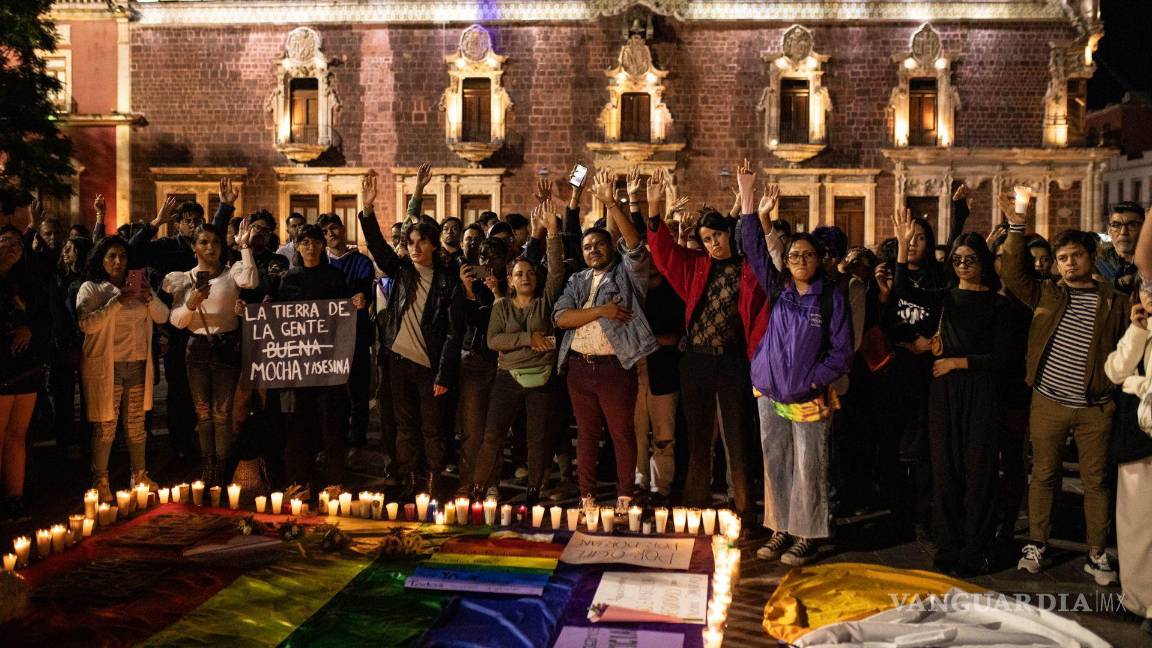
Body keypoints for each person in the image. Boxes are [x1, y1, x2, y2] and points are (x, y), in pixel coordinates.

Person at [999, 196, 1128, 585]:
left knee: (1096, 480)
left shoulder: (1116, 302)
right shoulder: (1048, 293)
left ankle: (1097, 553)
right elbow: (1012, 272)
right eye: (1062, 258)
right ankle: (1037, 543)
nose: (1068, 263)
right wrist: (1017, 229)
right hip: (1049, 400)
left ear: (1091, 257)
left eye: (1075, 255)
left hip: (1095, 407)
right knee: (1043, 474)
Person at [739, 163, 853, 566]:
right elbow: (753, 249)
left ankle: (807, 533)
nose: (799, 259)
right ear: (786, 262)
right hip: (769, 391)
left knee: (810, 465)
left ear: (819, 260)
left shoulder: (831, 298)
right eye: (793, 255)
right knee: (776, 462)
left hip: (807, 395)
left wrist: (812, 380)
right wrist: (747, 197)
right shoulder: (780, 290)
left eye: (807, 254)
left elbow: (842, 352)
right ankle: (780, 528)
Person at [646, 167, 763, 515]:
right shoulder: (696, 266)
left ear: (730, 234)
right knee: (697, 439)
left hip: (732, 360)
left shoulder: (747, 268)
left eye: (718, 236)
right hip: (695, 360)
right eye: (707, 238)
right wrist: (654, 207)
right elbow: (664, 253)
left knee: (737, 438)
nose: (713, 243)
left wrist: (746, 196)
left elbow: (757, 245)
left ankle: (741, 508)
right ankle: (695, 508)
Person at [554, 170, 658, 507]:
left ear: (611, 247)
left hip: (615, 367)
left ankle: (625, 496)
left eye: (599, 243)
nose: (593, 249)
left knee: (621, 435)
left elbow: (637, 248)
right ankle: (587, 498)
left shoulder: (627, 274)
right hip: (579, 367)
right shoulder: (578, 279)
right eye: (587, 246)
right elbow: (561, 317)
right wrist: (601, 311)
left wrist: (613, 204)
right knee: (586, 436)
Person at [916, 227, 1013, 577]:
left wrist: (959, 362)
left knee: (979, 470)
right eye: (956, 259)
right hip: (945, 392)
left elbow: (1002, 356)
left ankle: (976, 548)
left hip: (981, 390)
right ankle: (948, 545)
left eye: (970, 260)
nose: (962, 265)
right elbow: (902, 290)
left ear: (983, 262)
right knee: (945, 469)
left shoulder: (998, 303)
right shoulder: (944, 297)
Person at [358, 173, 460, 499]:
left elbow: (453, 333)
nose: (414, 248)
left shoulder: (448, 282)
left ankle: (434, 481)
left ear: (433, 244)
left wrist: (444, 374)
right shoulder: (401, 270)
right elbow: (377, 246)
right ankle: (407, 481)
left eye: (421, 242)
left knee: (432, 429)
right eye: (410, 242)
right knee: (404, 427)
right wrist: (367, 208)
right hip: (398, 362)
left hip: (429, 367)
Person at [470, 202, 565, 505]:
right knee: (492, 435)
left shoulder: (544, 302)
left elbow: (557, 271)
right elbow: (493, 340)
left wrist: (551, 233)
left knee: (537, 439)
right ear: (510, 280)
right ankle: (479, 486)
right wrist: (529, 337)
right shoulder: (502, 306)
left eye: (530, 274)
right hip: (507, 377)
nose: (525, 277)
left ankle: (534, 490)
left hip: (541, 378)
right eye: (519, 274)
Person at [270, 224, 365, 496]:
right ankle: (301, 480)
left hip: (328, 365)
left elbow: (347, 312)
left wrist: (358, 302)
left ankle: (335, 480)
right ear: (297, 246)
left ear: (322, 246)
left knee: (331, 423)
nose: (310, 247)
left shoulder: (335, 277)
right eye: (304, 242)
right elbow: (276, 319)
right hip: (298, 366)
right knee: (298, 425)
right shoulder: (288, 280)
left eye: (315, 242)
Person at [164, 222, 259, 486]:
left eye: (215, 242)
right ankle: (208, 467)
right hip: (197, 348)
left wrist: (244, 247)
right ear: (194, 247)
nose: (210, 248)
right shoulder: (182, 279)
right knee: (203, 413)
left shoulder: (233, 273)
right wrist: (191, 304)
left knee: (222, 412)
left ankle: (223, 468)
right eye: (204, 242)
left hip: (226, 347)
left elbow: (251, 280)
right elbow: (177, 321)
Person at [76, 236, 169, 501]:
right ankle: (101, 481)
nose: (118, 262)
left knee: (136, 424)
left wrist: (149, 297)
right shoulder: (92, 289)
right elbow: (87, 324)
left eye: (123, 257)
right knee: (106, 424)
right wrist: (116, 302)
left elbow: (163, 317)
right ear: (100, 260)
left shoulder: (139, 287)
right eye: (112, 257)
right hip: (107, 366)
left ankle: (139, 474)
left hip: (137, 364)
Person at [129, 195, 201, 460]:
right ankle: (179, 442)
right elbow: (133, 251)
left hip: (205, 328)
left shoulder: (206, 245)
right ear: (178, 224)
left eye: (197, 221)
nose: (193, 226)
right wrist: (155, 223)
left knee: (201, 389)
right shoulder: (167, 247)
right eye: (187, 221)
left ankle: (197, 438)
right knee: (179, 389)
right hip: (175, 328)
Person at [1106, 220, 1152, 635]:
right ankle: (1137, 598)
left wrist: (1137, 384)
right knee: (1134, 522)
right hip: (1138, 437)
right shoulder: (1137, 327)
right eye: (1145, 289)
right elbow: (1114, 369)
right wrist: (1137, 331)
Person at [452, 234, 511, 498]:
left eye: (494, 257)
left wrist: (498, 291)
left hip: (501, 363)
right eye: (483, 257)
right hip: (474, 361)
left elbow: (509, 320)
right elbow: (462, 322)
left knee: (494, 429)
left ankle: (490, 483)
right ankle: (467, 482)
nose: (487, 262)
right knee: (472, 430)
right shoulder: (472, 286)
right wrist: (467, 290)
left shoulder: (512, 284)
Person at [0, 225, 50, 521]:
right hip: (2, 365)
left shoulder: (27, 282)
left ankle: (14, 497)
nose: (12, 247)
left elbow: (43, 316)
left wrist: (29, 328)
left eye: (17, 243)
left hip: (25, 366)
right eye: (5, 241)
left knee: (17, 434)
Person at [317, 212, 376, 458]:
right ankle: (334, 439)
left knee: (357, 389)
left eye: (334, 228)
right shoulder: (318, 263)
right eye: (324, 232)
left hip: (355, 335)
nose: (330, 234)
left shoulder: (361, 261)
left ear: (343, 229)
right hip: (325, 338)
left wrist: (362, 297)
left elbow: (364, 291)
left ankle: (357, 440)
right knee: (332, 390)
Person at [50, 234, 94, 460]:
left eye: (71, 249)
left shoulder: (86, 281)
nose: (65, 252)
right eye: (64, 248)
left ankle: (86, 442)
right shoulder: (59, 278)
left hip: (83, 342)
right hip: (64, 344)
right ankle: (65, 442)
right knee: (63, 397)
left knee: (88, 396)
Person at [1097, 201, 1144, 292]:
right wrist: (1119, 282)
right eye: (1116, 225)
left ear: (1144, 229)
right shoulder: (1097, 262)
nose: (1123, 232)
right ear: (1109, 231)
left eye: (1132, 225)